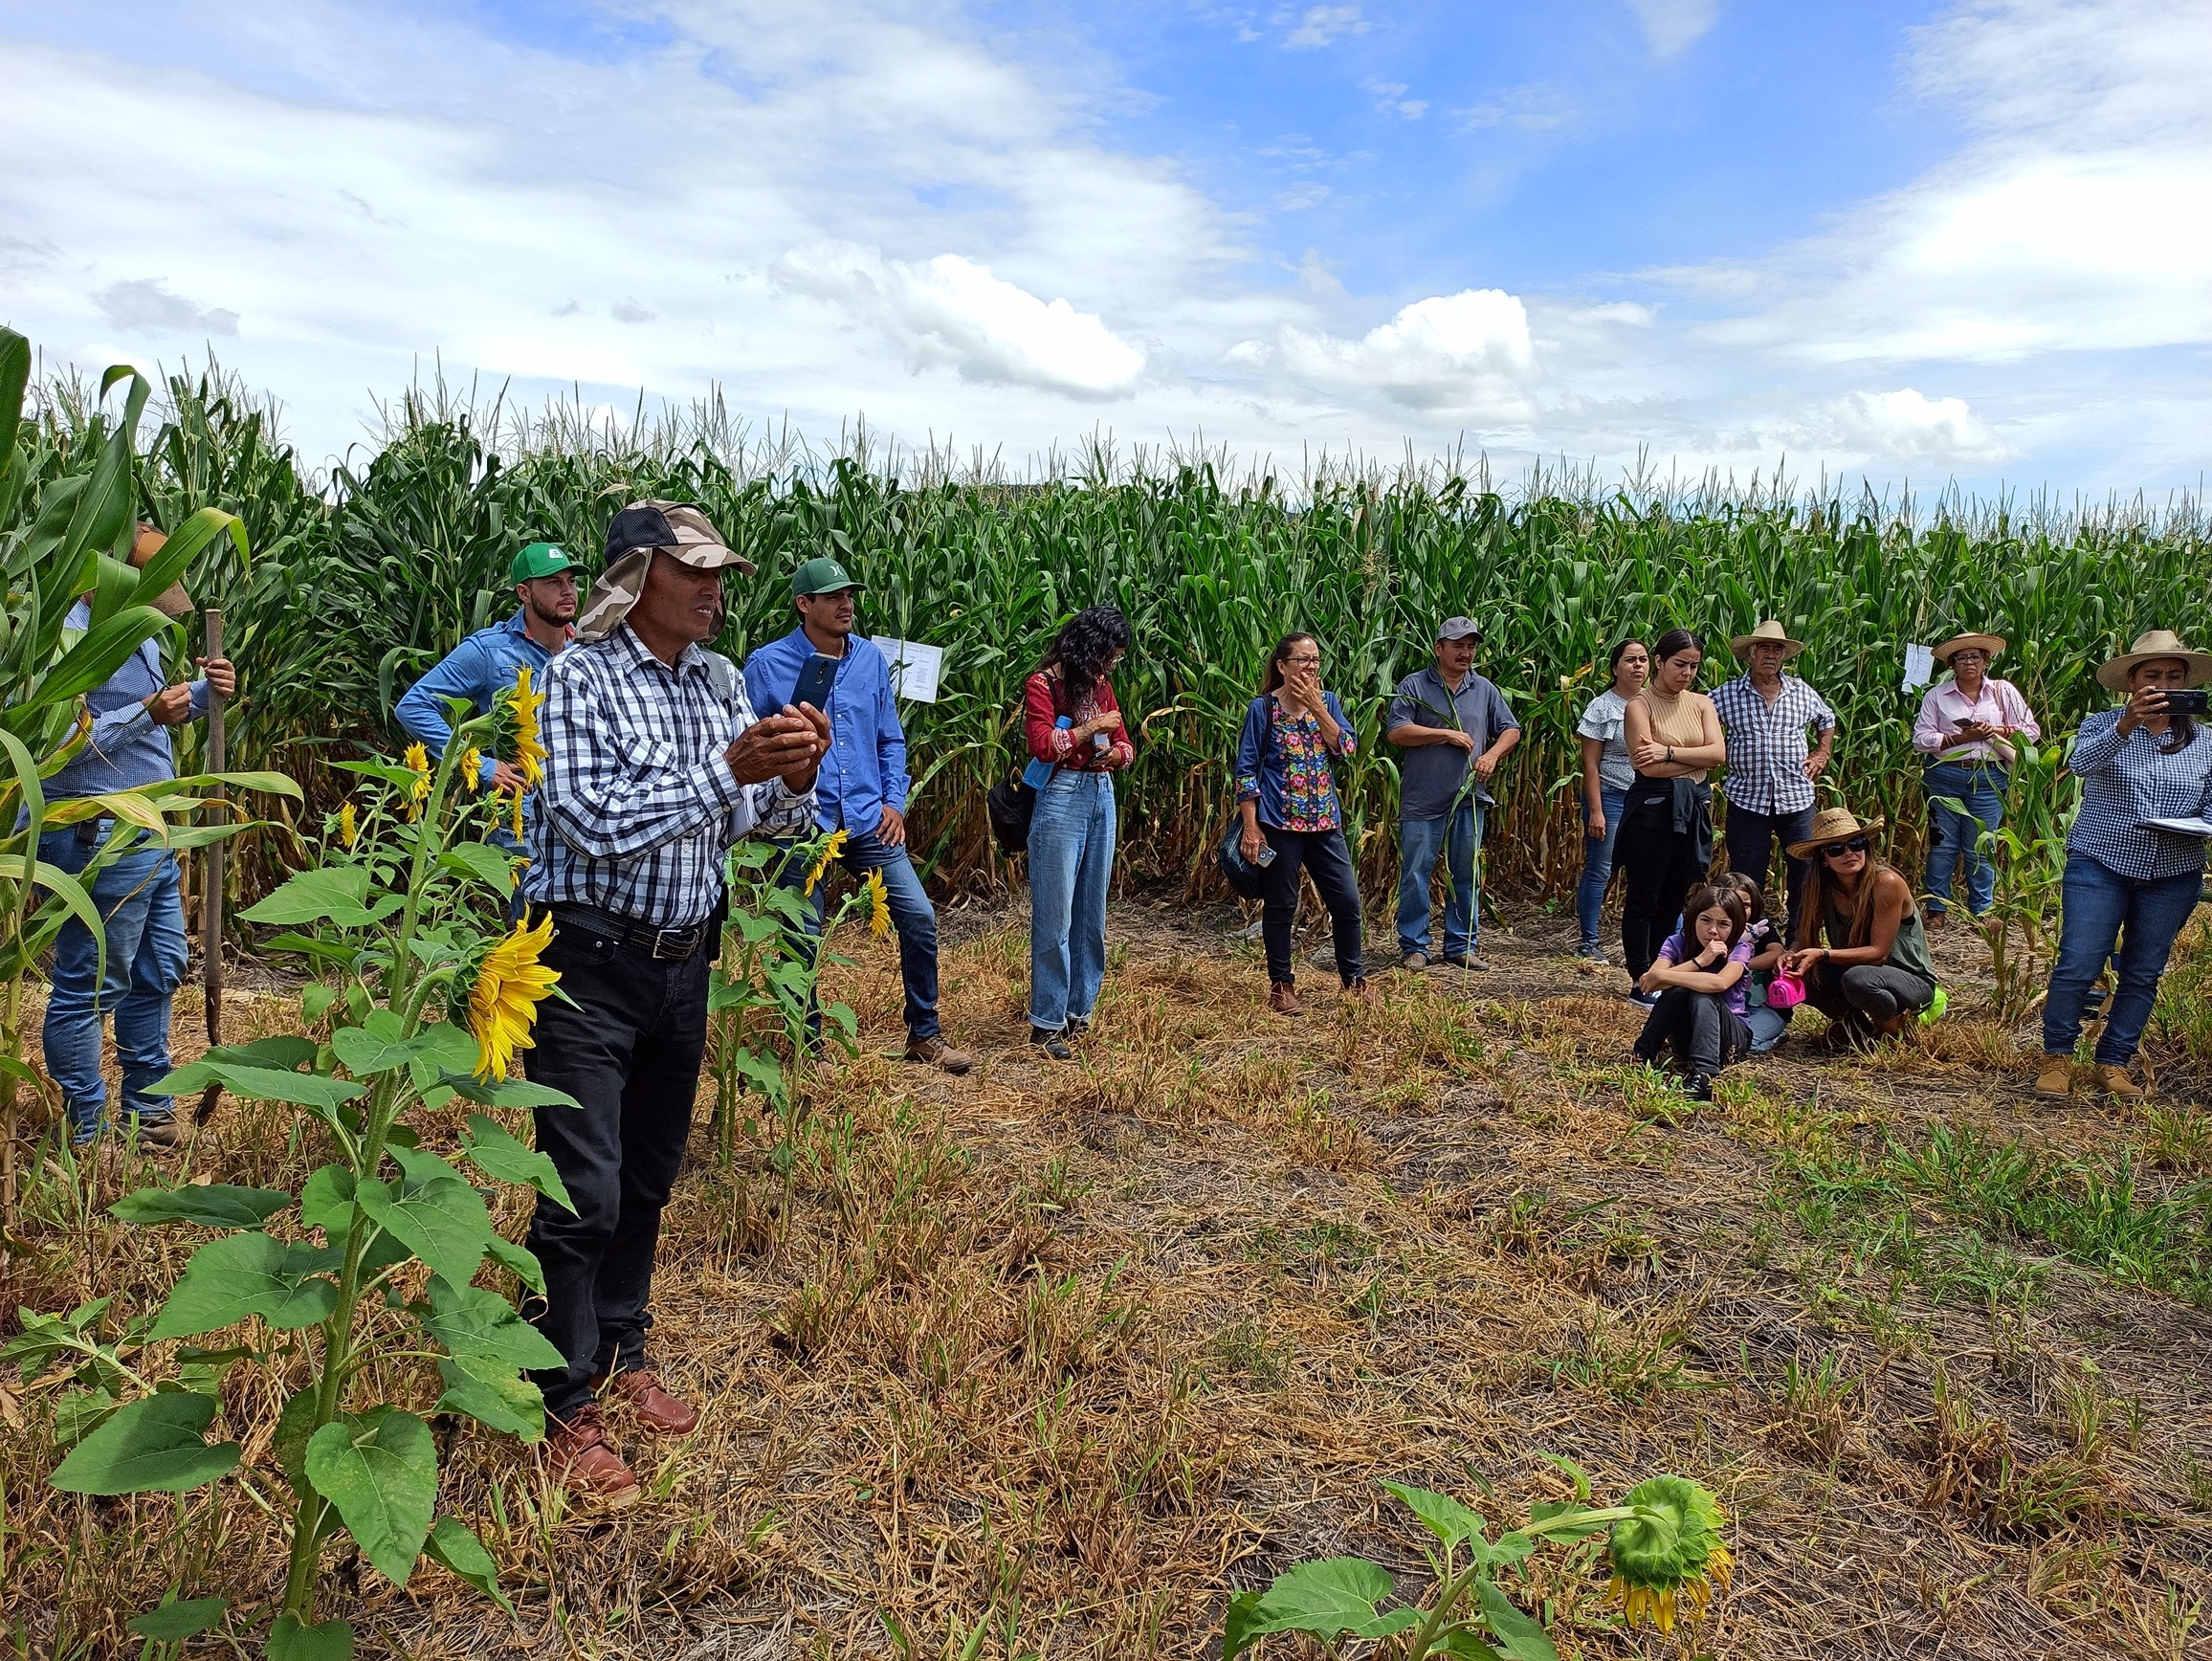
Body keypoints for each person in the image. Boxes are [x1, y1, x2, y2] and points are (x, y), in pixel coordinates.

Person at [519, 501, 829, 1506]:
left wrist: (790, 776)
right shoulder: (579, 677)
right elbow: (593, 820)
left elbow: (748, 820)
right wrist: (728, 768)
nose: (714, 589)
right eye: (692, 571)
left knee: (649, 1174)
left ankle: (620, 1345)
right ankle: (559, 1401)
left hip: (679, 959)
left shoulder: (720, 680)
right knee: (582, 1190)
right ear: (635, 575)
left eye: (720, 573)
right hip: (584, 962)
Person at [39, 524, 235, 1148]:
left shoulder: (135, 629)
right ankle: (87, 1131)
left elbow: (157, 719)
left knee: (157, 971)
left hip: (150, 829)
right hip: (96, 829)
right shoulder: (63, 634)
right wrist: (147, 712)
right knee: (91, 986)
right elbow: (59, 741)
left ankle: (149, 1112)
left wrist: (210, 692)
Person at [744, 556, 970, 1074]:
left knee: (918, 915)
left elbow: (890, 738)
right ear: (805, 605)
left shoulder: (869, 660)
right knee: (802, 935)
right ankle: (810, 1048)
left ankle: (925, 1034)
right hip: (804, 824)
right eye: (833, 596)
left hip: (868, 817)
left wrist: (895, 801)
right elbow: (748, 744)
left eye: (850, 595)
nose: (846, 604)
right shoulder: (766, 665)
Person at [2036, 630, 2212, 1100]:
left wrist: (2201, 824)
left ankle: (2113, 1063)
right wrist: (2126, 725)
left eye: (2174, 676)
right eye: (2152, 675)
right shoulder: (2103, 724)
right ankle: (2056, 1057)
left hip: (2174, 870)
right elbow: (2079, 765)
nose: (2164, 684)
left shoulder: (2206, 741)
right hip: (2101, 862)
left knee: (2143, 970)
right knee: (2079, 961)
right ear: (2132, 683)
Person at [395, 542, 579, 839]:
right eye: (553, 583)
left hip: (584, 816)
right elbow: (413, 706)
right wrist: (481, 765)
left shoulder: (588, 648)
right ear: (524, 593)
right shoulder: (490, 650)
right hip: (523, 818)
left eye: (571, 581)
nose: (568, 591)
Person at [1235, 632, 1366, 1016]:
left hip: (1324, 822)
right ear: (1282, 666)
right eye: (1302, 660)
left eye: (1316, 661)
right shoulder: (1264, 709)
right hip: (1280, 823)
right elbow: (1245, 773)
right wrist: (1251, 827)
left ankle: (1354, 981)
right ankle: (1281, 985)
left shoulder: (1328, 702)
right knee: (1282, 905)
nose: (1311, 667)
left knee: (1346, 901)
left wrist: (1318, 709)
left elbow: (1347, 749)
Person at [1025, 605, 1134, 1060]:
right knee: (1056, 914)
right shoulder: (1043, 684)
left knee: (1093, 912)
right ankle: (1046, 1021)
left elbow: (1126, 744)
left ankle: (1079, 1011)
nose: (1114, 663)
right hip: (1063, 795)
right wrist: (1093, 729)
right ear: (1091, 646)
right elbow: (1044, 745)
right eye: (1111, 654)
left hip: (1099, 790)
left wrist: (1117, 755)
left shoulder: (1100, 685)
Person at [1385, 616, 1520, 971]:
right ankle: (1415, 947)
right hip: (1422, 799)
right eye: (1458, 645)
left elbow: (1511, 730)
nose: (1466, 653)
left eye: (1471, 646)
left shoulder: (1484, 688)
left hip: (1469, 798)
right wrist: (1444, 734)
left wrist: (1491, 755)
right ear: (1439, 648)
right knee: (1416, 872)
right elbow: (1397, 732)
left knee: (1466, 873)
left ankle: (1461, 945)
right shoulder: (1414, 685)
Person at [1712, 620, 1835, 941]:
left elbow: (1827, 719)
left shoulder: (1801, 692)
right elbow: (1699, 721)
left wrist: (1821, 753)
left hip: (1796, 798)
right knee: (1746, 878)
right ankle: (1755, 942)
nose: (1770, 654)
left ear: (1784, 656)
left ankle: (1798, 939)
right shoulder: (1725, 695)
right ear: (1750, 654)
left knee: (1805, 873)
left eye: (1776, 649)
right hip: (1746, 798)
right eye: (1764, 648)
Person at [1618, 629, 1727, 990]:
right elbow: (1647, 767)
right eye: (1680, 664)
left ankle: (1661, 973)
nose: (1687, 673)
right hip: (1652, 807)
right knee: (1644, 895)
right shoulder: (1639, 705)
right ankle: (1639, 975)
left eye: (1694, 666)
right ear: (1660, 661)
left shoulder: (1701, 704)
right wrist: (1695, 762)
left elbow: (1718, 755)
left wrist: (1668, 752)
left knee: (1675, 895)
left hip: (1692, 807)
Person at [1912, 632, 2040, 929]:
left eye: (1975, 657)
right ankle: (1937, 909)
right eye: (1961, 658)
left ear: (1985, 661)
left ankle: (1982, 911)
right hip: (1945, 774)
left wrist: (1995, 730)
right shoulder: (1936, 696)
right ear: (1952, 665)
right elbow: (1921, 739)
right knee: (1943, 845)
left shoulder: (2002, 692)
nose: (1969, 662)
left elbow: (2030, 731)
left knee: (1981, 845)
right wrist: (1961, 737)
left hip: (1989, 777)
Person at [1781, 808, 1937, 1045]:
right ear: (1823, 858)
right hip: (1857, 971)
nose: (1849, 853)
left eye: (1856, 843)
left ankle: (1892, 1030)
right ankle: (1854, 1027)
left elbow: (1878, 954)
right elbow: (1804, 938)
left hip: (1909, 980)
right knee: (1800, 975)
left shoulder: (1886, 882)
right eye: (1836, 849)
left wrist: (1823, 954)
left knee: (1858, 979)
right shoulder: (1819, 888)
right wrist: (1790, 956)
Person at [1632, 881, 1754, 1100]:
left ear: (1735, 927)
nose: (1713, 931)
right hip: (1686, 1037)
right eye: (1705, 920)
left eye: (1723, 924)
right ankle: (1641, 1056)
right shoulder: (1678, 942)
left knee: (1701, 992)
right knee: (1677, 991)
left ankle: (1705, 1076)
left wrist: (1664, 976)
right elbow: (1649, 984)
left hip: (1730, 1039)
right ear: (1693, 918)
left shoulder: (1740, 948)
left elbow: (1720, 983)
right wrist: (1699, 961)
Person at [1574, 637, 1650, 961]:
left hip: (1646, 799)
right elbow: (1590, 763)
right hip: (1611, 796)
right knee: (1600, 870)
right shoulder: (1602, 707)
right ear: (1615, 667)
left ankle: (1656, 940)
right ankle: (1589, 942)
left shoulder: (1655, 703)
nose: (1637, 665)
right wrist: (1596, 810)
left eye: (1643, 659)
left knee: (1648, 872)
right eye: (1630, 659)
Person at [1722, 871, 1792, 1053]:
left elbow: (1776, 952)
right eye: (1732, 902)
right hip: (1728, 1009)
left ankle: (1777, 1037)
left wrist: (1739, 965)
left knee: (1744, 1046)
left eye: (1745, 905)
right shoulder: (1712, 928)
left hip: (1765, 1009)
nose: (1738, 910)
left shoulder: (1759, 927)